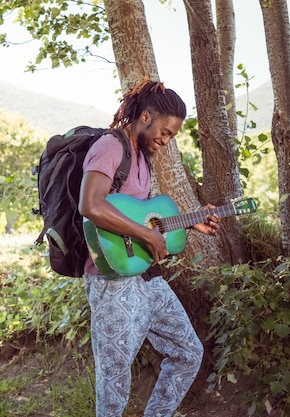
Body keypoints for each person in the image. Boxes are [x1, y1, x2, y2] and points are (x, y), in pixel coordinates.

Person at [78, 79, 221, 417]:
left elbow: (139, 219)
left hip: (145, 277)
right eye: (166, 132)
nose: (166, 140)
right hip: (111, 281)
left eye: (172, 136)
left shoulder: (142, 157)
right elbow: (91, 205)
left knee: (187, 352)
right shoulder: (110, 147)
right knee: (114, 383)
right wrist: (149, 236)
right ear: (145, 116)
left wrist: (187, 222)